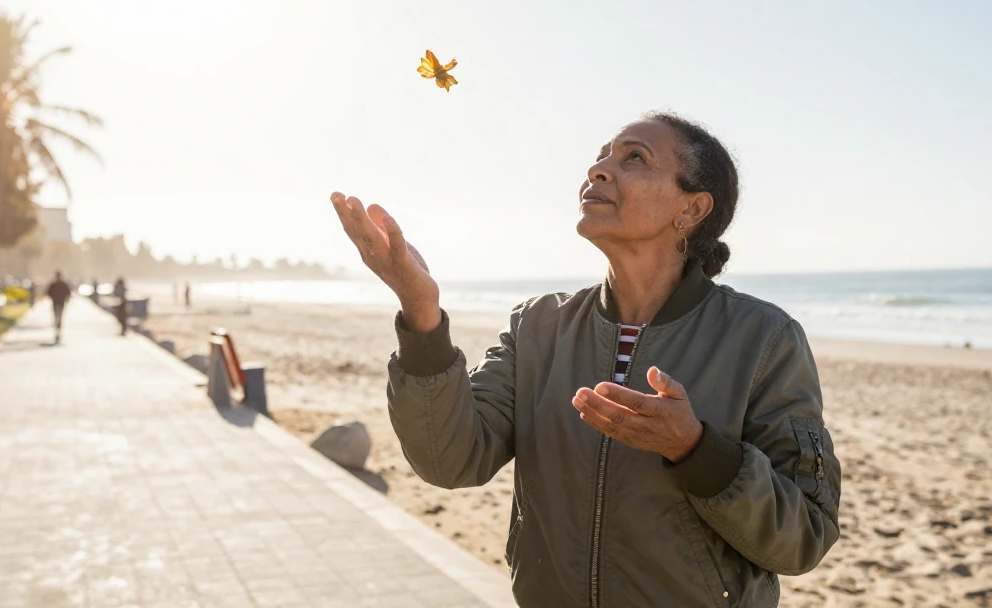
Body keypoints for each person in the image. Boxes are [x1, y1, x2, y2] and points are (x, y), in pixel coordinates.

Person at [331, 112, 841, 606]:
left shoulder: (764, 338)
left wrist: (697, 451)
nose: (598, 169)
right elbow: (449, 459)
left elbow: (804, 538)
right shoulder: (538, 326)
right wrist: (421, 315)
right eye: (601, 157)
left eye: (634, 158)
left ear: (691, 210)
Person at [45, 272, 70, 343]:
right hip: (56, 303)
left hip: (60, 303)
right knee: (57, 317)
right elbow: (48, 292)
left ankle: (58, 330)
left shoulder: (61, 284)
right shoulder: (54, 284)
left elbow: (68, 293)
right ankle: (57, 329)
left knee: (59, 317)